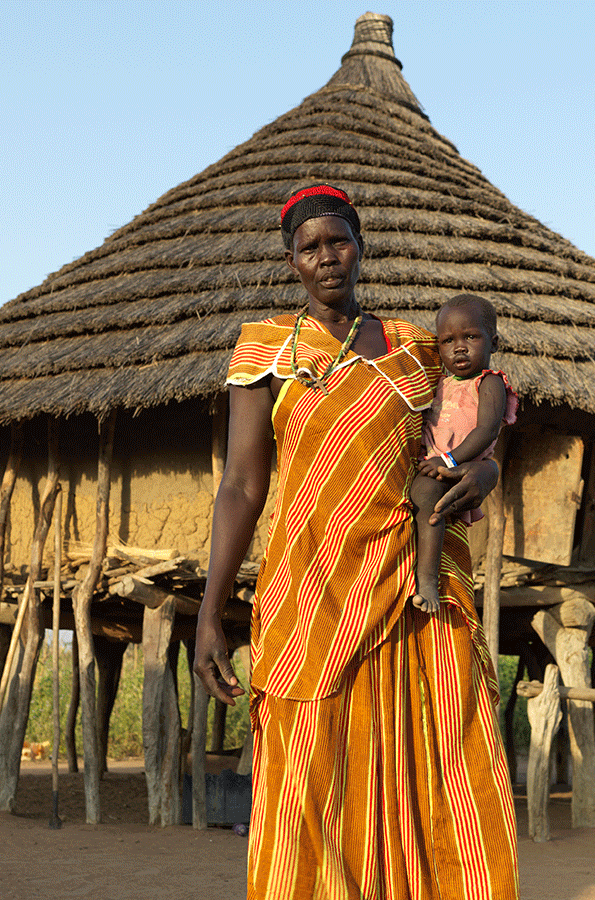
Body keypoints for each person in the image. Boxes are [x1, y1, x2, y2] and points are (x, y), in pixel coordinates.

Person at [194, 184, 519, 899]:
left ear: (360, 245)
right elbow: (242, 487)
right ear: (291, 262)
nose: (327, 257)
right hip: (309, 593)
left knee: (437, 772)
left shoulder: (416, 347)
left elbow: (471, 419)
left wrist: (488, 467)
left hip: (414, 589)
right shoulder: (266, 348)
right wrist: (209, 610)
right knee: (308, 782)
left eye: (337, 240)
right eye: (310, 247)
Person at [411, 294, 518, 614]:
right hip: (432, 461)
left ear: (493, 343)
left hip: (459, 465)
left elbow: (485, 430)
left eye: (470, 337)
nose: (459, 347)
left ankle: (427, 578)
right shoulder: (438, 382)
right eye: (448, 340)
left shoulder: (489, 384)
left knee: (428, 497)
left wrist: (450, 459)